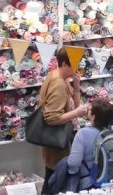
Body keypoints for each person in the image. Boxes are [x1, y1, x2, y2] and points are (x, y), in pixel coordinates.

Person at [39, 47, 91, 184]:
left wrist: (77, 86)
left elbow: (75, 104)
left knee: (53, 180)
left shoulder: (60, 77)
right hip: (57, 140)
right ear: (63, 64)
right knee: (55, 182)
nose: (77, 69)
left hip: (59, 138)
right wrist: (76, 113)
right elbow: (51, 118)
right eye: (74, 65)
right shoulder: (58, 84)